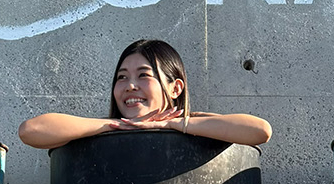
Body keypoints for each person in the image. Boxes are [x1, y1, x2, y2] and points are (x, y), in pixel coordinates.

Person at [18, 39, 272, 149]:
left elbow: (260, 131)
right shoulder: (101, 130)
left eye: (144, 75)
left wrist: (172, 124)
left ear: (175, 88)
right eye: (122, 77)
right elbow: (31, 131)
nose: (130, 85)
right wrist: (115, 124)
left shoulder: (194, 126)